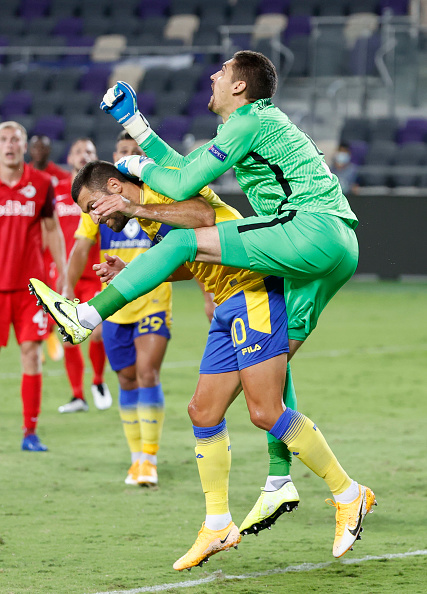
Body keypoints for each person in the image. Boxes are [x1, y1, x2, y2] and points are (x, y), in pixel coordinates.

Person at [30, 158, 375, 565]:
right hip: (229, 302)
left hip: (255, 291)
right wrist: (134, 268)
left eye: (94, 206)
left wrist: (135, 208)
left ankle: (349, 493)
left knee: (265, 412)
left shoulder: (162, 190)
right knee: (203, 411)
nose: (95, 218)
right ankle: (218, 525)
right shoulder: (149, 215)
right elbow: (192, 258)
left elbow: (203, 216)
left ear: (115, 187)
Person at [67, 131, 174, 486]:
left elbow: (191, 241)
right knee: (126, 378)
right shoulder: (98, 206)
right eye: (123, 151)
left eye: (134, 151)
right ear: (114, 159)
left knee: (147, 373)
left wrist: (208, 294)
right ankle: (135, 458)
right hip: (115, 303)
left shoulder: (155, 196)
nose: (128, 155)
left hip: (153, 299)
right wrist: (67, 290)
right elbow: (80, 249)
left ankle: (150, 459)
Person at [0, 121, 67, 451]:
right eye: (3, 139)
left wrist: (63, 274)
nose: (9, 145)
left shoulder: (41, 183)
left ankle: (30, 432)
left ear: (24, 146)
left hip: (30, 288)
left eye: (15, 139)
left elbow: (52, 230)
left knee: (31, 355)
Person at [52, 138, 111, 413]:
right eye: (78, 151)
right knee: (68, 335)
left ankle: (98, 380)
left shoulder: (102, 195)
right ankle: (77, 396)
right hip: (66, 275)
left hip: (96, 273)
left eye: (89, 151)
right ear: (69, 158)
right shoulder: (56, 192)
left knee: (97, 332)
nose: (83, 155)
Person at [29, 134, 70, 362]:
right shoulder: (24, 175)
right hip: (32, 247)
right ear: (29, 150)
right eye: (35, 147)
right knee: (33, 294)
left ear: (49, 150)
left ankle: (50, 333)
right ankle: (42, 335)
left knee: (52, 291)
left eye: (42, 147)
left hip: (54, 244)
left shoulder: (61, 177)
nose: (38, 151)